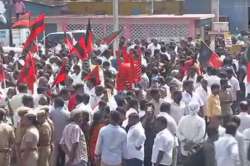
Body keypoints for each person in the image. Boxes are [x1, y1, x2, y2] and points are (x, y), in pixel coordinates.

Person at [49, 97, 70, 166]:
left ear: (56, 104)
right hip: (64, 138)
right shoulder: (67, 114)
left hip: (54, 137)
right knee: (63, 154)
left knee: (55, 155)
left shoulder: (51, 113)